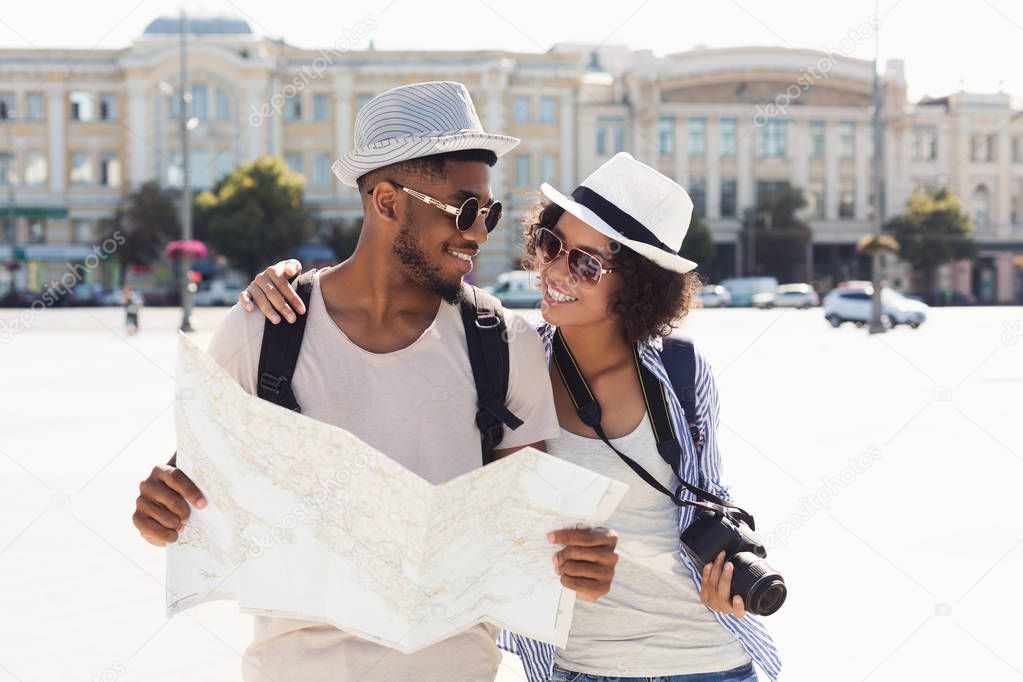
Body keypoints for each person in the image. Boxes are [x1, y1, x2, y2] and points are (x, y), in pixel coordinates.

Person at [131, 81, 619, 682]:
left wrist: (579, 564)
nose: (480, 233)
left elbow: (528, 535)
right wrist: (163, 510)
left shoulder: (501, 340)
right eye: (466, 209)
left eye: (488, 213)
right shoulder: (264, 331)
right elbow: (193, 488)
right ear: (388, 201)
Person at [246, 153, 783, 682]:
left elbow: (710, 497)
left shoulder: (683, 372)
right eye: (553, 245)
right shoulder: (503, 358)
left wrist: (729, 576)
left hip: (707, 662)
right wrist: (294, 285)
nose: (555, 271)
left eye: (587, 263)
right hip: (576, 668)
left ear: (639, 284)